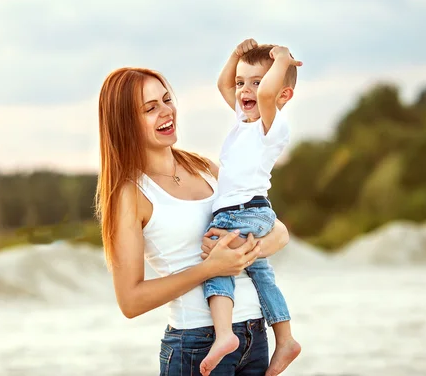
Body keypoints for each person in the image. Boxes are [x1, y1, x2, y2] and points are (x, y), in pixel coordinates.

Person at [95, 66, 291, 375]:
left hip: (254, 335)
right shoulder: (130, 195)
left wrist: (242, 252)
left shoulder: (205, 168)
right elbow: (130, 301)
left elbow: (277, 230)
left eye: (166, 99)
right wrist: (210, 269)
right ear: (126, 123)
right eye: (150, 108)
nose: (165, 111)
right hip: (196, 343)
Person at [199, 40, 302, 376]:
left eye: (256, 83)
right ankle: (285, 338)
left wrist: (283, 60)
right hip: (252, 212)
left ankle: (225, 334)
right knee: (261, 273)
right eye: (242, 82)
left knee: (217, 264)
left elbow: (266, 97)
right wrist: (235, 57)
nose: (244, 90)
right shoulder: (242, 121)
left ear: (281, 95)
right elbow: (222, 84)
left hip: (241, 212)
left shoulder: (270, 128)